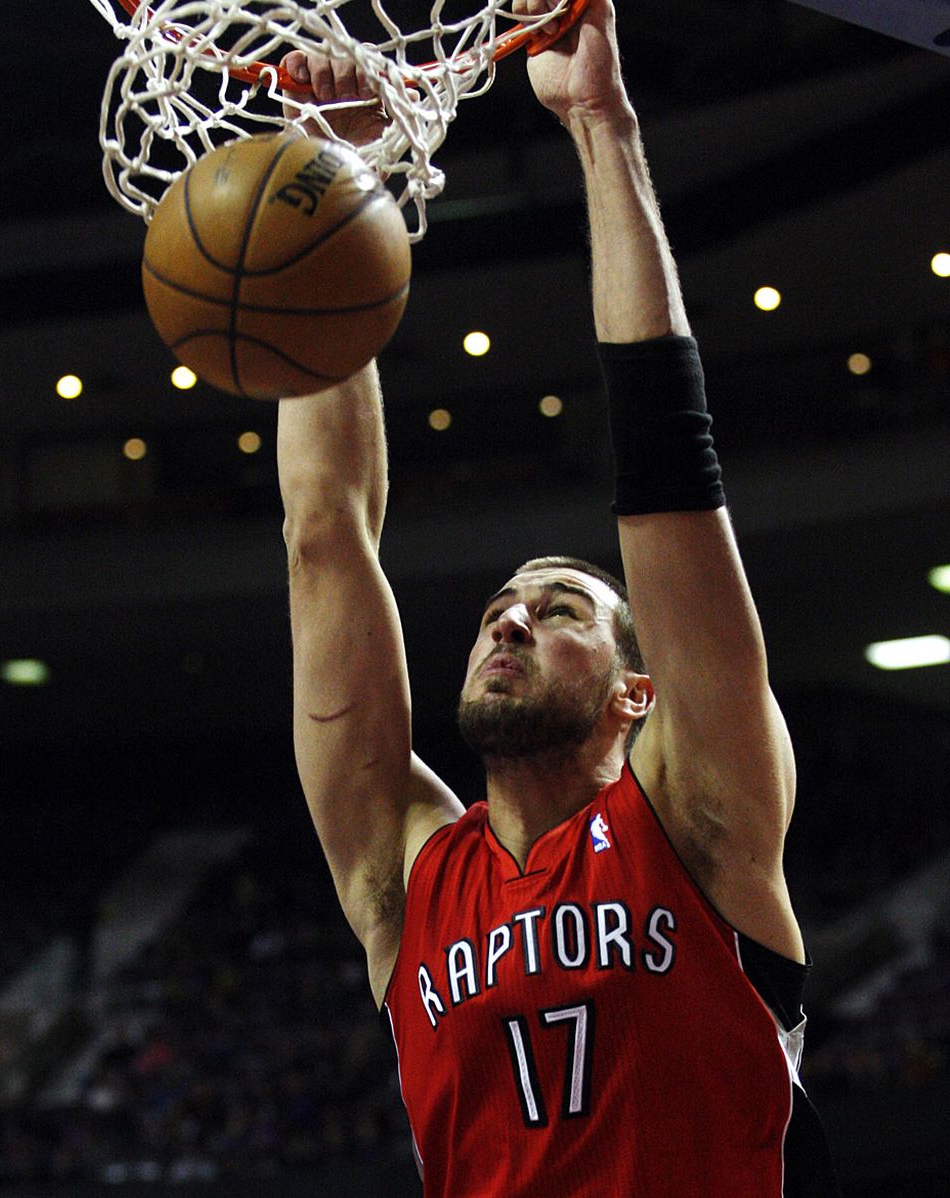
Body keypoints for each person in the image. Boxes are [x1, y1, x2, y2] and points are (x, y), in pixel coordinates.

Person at [277, 1, 839, 1194]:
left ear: (641, 691)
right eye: (501, 606)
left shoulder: (700, 822)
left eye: (565, 608)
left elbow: (669, 482)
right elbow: (326, 538)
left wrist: (601, 128)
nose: (511, 617)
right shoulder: (407, 875)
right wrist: (341, 180)